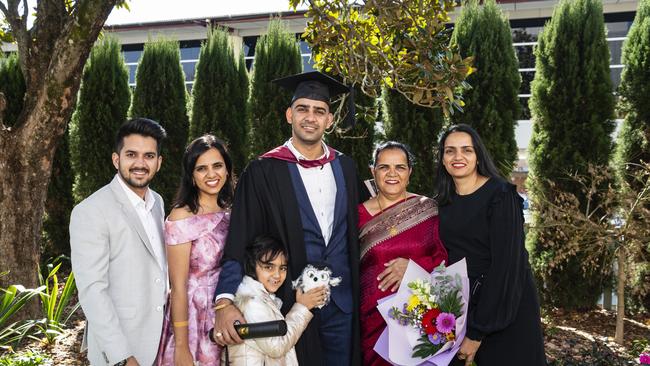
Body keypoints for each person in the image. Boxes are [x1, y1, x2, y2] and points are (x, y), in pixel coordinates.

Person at [212, 71, 361, 366]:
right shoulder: (264, 171)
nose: (311, 117)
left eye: (319, 111)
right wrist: (224, 301)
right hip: (289, 304)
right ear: (289, 114)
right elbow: (240, 237)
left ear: (329, 120)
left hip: (342, 305)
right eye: (303, 108)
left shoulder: (345, 167)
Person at [436, 124, 546, 366]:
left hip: (506, 304)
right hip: (462, 308)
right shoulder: (442, 203)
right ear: (442, 159)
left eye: (467, 150)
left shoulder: (500, 195)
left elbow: (506, 266)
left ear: (478, 156)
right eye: (450, 151)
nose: (458, 157)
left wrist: (478, 331)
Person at [70, 118, 168, 366]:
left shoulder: (158, 202)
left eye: (149, 156)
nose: (140, 163)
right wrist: (122, 357)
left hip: (161, 342)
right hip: (121, 349)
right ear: (117, 159)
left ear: (159, 163)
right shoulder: (90, 211)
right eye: (131, 154)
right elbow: (92, 291)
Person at [359, 141, 448, 366]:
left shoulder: (427, 210)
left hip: (420, 318)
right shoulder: (355, 215)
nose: (392, 174)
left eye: (400, 167)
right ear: (373, 171)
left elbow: (443, 260)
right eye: (384, 167)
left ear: (409, 172)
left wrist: (413, 268)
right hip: (371, 322)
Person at [156, 135, 234, 365]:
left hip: (226, 310)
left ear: (228, 170)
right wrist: (181, 346)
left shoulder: (232, 210)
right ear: (191, 175)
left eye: (217, 166)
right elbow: (178, 286)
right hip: (192, 317)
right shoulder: (182, 216)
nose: (211, 174)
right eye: (202, 168)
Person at [225, 236, 327, 365]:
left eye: (282, 268)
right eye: (269, 267)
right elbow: (276, 347)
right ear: (252, 266)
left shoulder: (263, 298)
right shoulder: (251, 302)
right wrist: (302, 308)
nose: (277, 275)